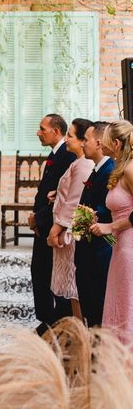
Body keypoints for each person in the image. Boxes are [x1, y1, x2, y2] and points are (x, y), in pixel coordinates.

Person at [29, 114, 76, 335]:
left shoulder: (66, 156)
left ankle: (51, 320)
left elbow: (63, 196)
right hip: (44, 222)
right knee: (39, 271)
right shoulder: (55, 155)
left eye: (42, 129)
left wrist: (40, 218)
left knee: (46, 271)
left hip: (52, 224)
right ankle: (46, 319)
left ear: (56, 131)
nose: (39, 132)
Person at [46, 118, 94, 321]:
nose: (66, 139)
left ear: (83, 141)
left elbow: (76, 201)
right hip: (71, 228)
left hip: (72, 232)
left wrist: (56, 229)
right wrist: (56, 195)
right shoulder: (78, 162)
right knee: (72, 290)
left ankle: (81, 334)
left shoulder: (84, 164)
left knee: (75, 289)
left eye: (70, 135)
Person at [90, 121, 133, 342]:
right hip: (120, 247)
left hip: (129, 247)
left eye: (105, 139)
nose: (100, 143)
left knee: (126, 305)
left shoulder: (129, 169)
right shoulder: (119, 168)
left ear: (116, 143)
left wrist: (112, 226)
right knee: (118, 303)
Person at [75, 121, 114, 327]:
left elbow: (109, 210)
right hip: (87, 250)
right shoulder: (97, 170)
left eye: (86, 140)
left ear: (99, 143)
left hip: (100, 250)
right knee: (89, 303)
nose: (82, 144)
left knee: (98, 303)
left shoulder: (110, 170)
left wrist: (91, 213)